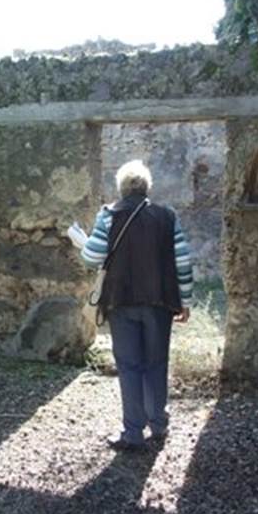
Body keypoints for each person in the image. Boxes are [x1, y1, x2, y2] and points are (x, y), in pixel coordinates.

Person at [81, 159, 193, 452]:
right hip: (160, 302)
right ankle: (158, 424)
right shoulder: (167, 217)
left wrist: (83, 243)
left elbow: (91, 258)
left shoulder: (108, 216)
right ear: (147, 188)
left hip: (121, 301)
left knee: (129, 366)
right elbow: (182, 260)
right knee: (156, 363)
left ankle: (132, 432)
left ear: (120, 189)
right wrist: (187, 300)